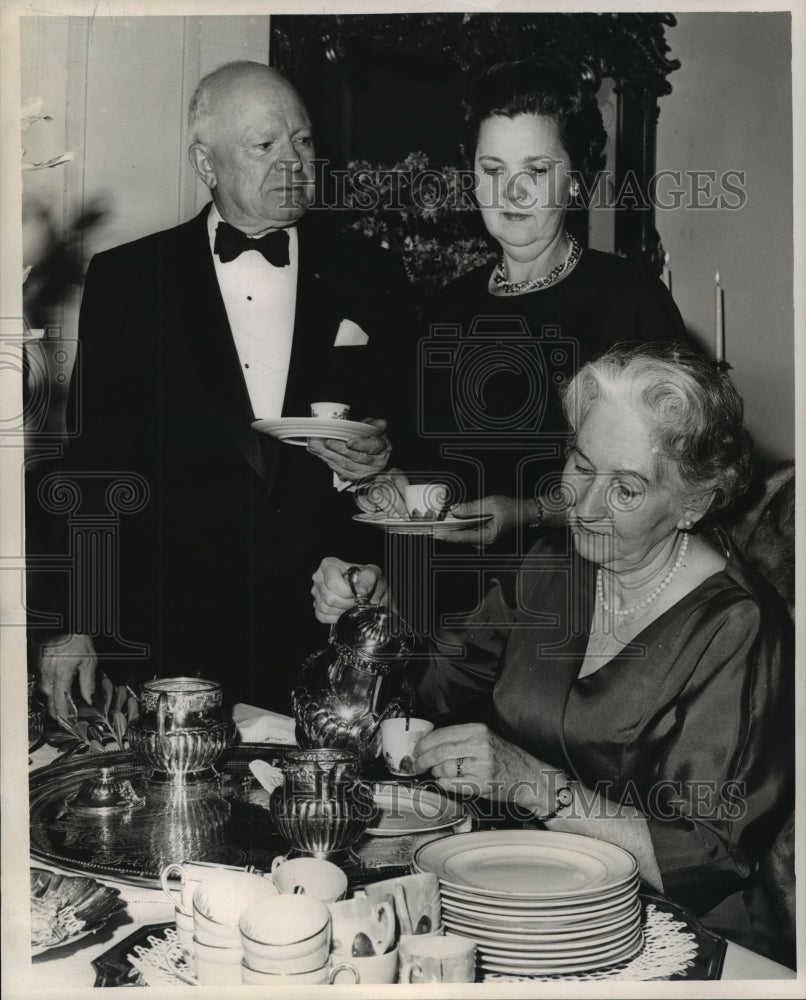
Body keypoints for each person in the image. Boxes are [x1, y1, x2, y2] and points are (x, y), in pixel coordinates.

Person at [312, 344, 794, 961]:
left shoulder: (738, 626)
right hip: (526, 905)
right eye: (581, 465)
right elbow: (431, 690)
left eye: (627, 490)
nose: (586, 508)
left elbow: (707, 856)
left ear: (693, 503)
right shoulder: (550, 569)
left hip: (680, 937)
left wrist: (538, 787)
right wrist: (375, 614)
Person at [31, 61, 419, 719]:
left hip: (327, 636)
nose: (294, 161)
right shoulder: (130, 281)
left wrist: (383, 461)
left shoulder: (371, 272)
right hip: (169, 638)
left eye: (303, 140)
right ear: (206, 164)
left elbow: (412, 430)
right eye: (266, 145)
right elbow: (94, 462)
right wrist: (79, 621)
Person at [404, 58, 687, 549]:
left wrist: (530, 514)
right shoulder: (446, 308)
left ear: (575, 181)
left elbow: (666, 476)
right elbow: (422, 458)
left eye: (536, 170)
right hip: (448, 586)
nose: (511, 191)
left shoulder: (629, 299)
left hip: (585, 580)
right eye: (492, 169)